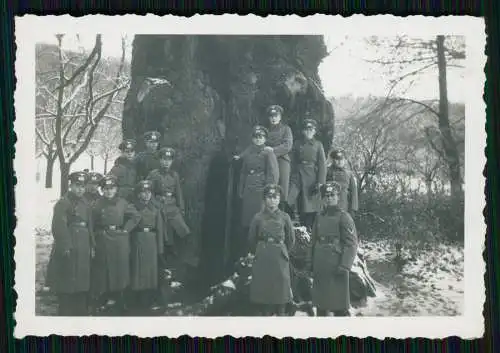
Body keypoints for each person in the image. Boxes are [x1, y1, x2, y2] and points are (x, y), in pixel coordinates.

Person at [46, 171, 94, 316]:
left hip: (84, 246)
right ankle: (65, 311)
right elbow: (59, 226)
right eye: (77, 185)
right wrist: (66, 246)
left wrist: (92, 245)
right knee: (67, 280)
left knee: (82, 280)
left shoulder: (85, 202)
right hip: (70, 245)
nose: (80, 189)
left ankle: (80, 310)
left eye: (83, 186)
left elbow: (90, 225)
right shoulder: (63, 202)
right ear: (71, 185)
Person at [91, 175, 141, 312]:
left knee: (120, 269)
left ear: (116, 189)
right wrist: (96, 236)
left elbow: (136, 216)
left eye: (111, 188)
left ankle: (120, 299)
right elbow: (92, 223)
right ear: (102, 190)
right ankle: (103, 298)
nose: (109, 191)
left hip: (120, 240)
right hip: (103, 239)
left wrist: (126, 230)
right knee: (104, 270)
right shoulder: (97, 204)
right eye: (106, 189)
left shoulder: (122, 203)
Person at [147, 147, 196, 280]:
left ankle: (183, 259)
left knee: (184, 231)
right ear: (160, 160)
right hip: (159, 207)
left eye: (169, 160)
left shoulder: (174, 175)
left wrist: (181, 208)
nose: (166, 162)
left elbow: (179, 193)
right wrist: (155, 206)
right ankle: (165, 261)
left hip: (172, 208)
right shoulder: (153, 175)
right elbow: (148, 193)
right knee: (164, 235)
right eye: (164, 159)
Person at [311, 182, 358, 317]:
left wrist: (345, 265)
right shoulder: (319, 217)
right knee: (321, 306)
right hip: (320, 265)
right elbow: (313, 242)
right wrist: (310, 264)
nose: (329, 198)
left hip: (336, 266)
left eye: (332, 195)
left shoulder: (344, 217)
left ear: (338, 197)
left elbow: (351, 244)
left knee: (339, 307)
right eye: (326, 196)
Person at [248, 184, 295, 316]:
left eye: (275, 197)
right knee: (265, 290)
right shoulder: (258, 217)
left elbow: (291, 240)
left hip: (280, 256)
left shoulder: (285, 217)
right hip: (263, 255)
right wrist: (259, 250)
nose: (272, 200)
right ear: (264, 199)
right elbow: (251, 239)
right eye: (269, 197)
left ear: (279, 199)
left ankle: (281, 312)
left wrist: (283, 251)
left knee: (281, 288)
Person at [235, 125, 279, 256]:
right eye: (256, 137)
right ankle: (249, 251)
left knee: (260, 219)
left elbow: (273, 173)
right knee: (248, 221)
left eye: (261, 137)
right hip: (249, 189)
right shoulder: (249, 152)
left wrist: (269, 191)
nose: (258, 140)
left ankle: (260, 250)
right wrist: (241, 189)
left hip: (261, 190)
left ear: (265, 139)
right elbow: (243, 172)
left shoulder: (268, 152)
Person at [129, 180, 165, 313]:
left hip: (151, 242)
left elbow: (160, 230)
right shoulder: (133, 208)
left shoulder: (155, 209)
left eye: (148, 192)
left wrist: (160, 249)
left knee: (150, 272)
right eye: (143, 192)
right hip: (137, 240)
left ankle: (148, 300)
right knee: (137, 271)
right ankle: (137, 301)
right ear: (138, 194)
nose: (146, 195)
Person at [287, 119, 327, 230]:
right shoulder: (297, 144)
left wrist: (320, 182)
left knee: (311, 205)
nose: (309, 132)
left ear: (314, 131)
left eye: (311, 129)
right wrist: (292, 175)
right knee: (292, 199)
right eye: (306, 129)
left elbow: (322, 165)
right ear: (303, 131)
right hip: (298, 175)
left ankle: (310, 230)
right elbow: (292, 161)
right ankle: (297, 227)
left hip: (312, 177)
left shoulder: (318, 145)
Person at [265, 104, 293, 210]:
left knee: (282, 188)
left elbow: (287, 146)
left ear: (280, 117)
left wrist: (273, 151)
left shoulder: (286, 129)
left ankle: (282, 213)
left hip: (282, 160)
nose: (273, 118)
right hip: (268, 161)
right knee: (269, 187)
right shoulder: (265, 131)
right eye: (271, 116)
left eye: (276, 116)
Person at [326, 149, 359, 215]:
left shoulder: (349, 174)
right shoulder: (327, 171)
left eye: (342, 159)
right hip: (329, 203)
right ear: (333, 160)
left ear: (344, 160)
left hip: (343, 205)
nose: (339, 161)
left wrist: (353, 208)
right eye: (337, 159)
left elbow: (354, 192)